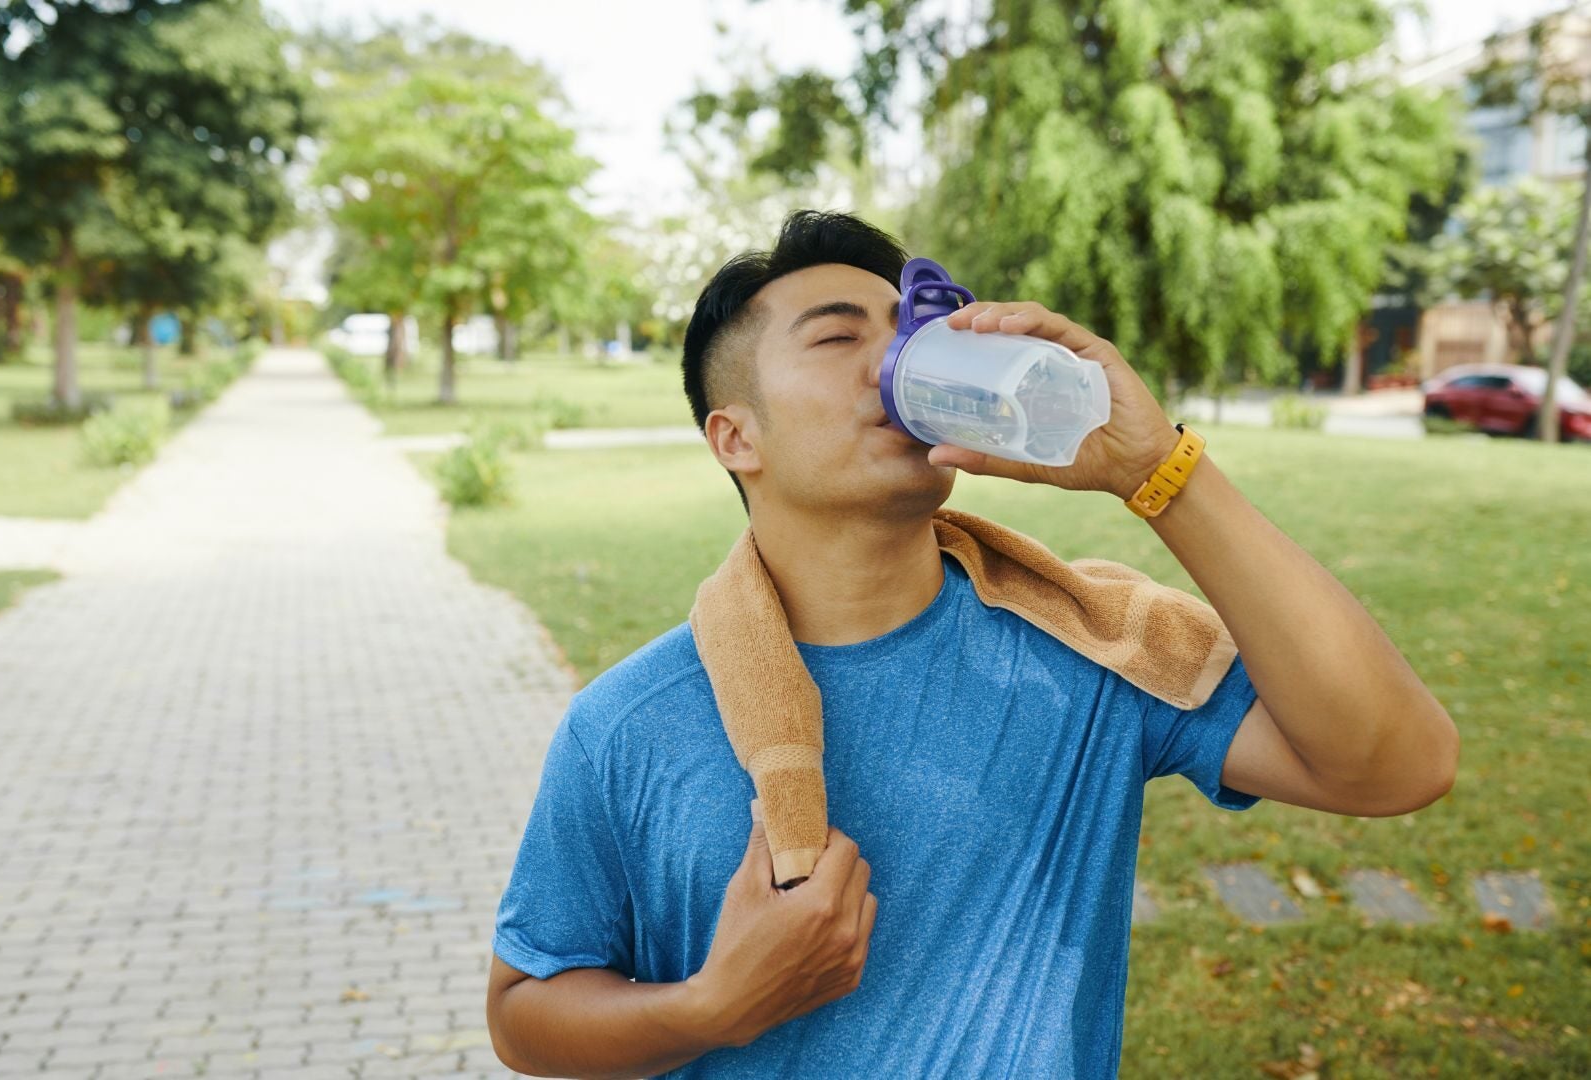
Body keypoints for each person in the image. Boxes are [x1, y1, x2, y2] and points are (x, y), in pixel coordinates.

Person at [485, 210, 1459, 1077]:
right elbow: (524, 1014)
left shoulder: (1092, 647)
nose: (897, 358)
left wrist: (1158, 469)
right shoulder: (627, 726)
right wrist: (713, 1008)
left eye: (908, 330)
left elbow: (1397, 765)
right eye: (838, 336)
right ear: (736, 438)